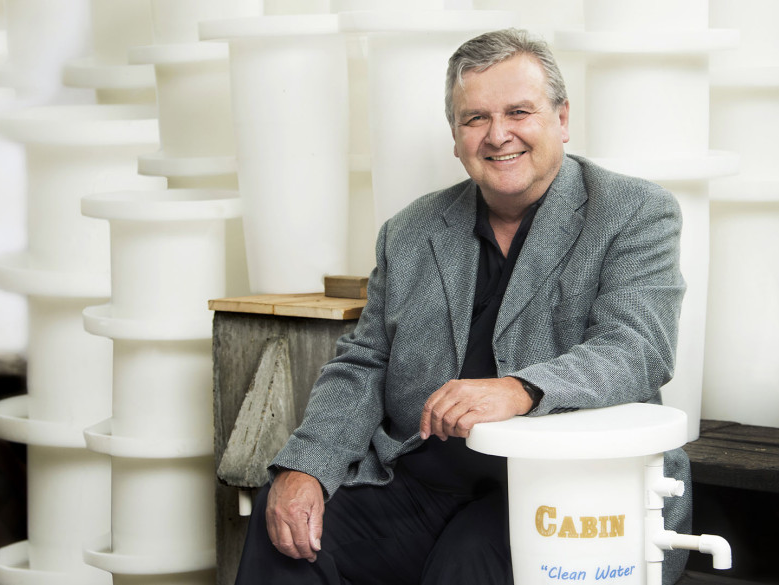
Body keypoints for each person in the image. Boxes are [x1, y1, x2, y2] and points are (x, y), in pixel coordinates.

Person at [234, 28, 691, 585]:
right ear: (455, 136)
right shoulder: (408, 231)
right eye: (475, 118)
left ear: (562, 118)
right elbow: (364, 364)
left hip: (563, 485)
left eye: (518, 112)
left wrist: (519, 389)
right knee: (285, 529)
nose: (498, 135)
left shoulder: (633, 211)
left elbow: (638, 347)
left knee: (466, 565)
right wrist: (306, 465)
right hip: (422, 480)